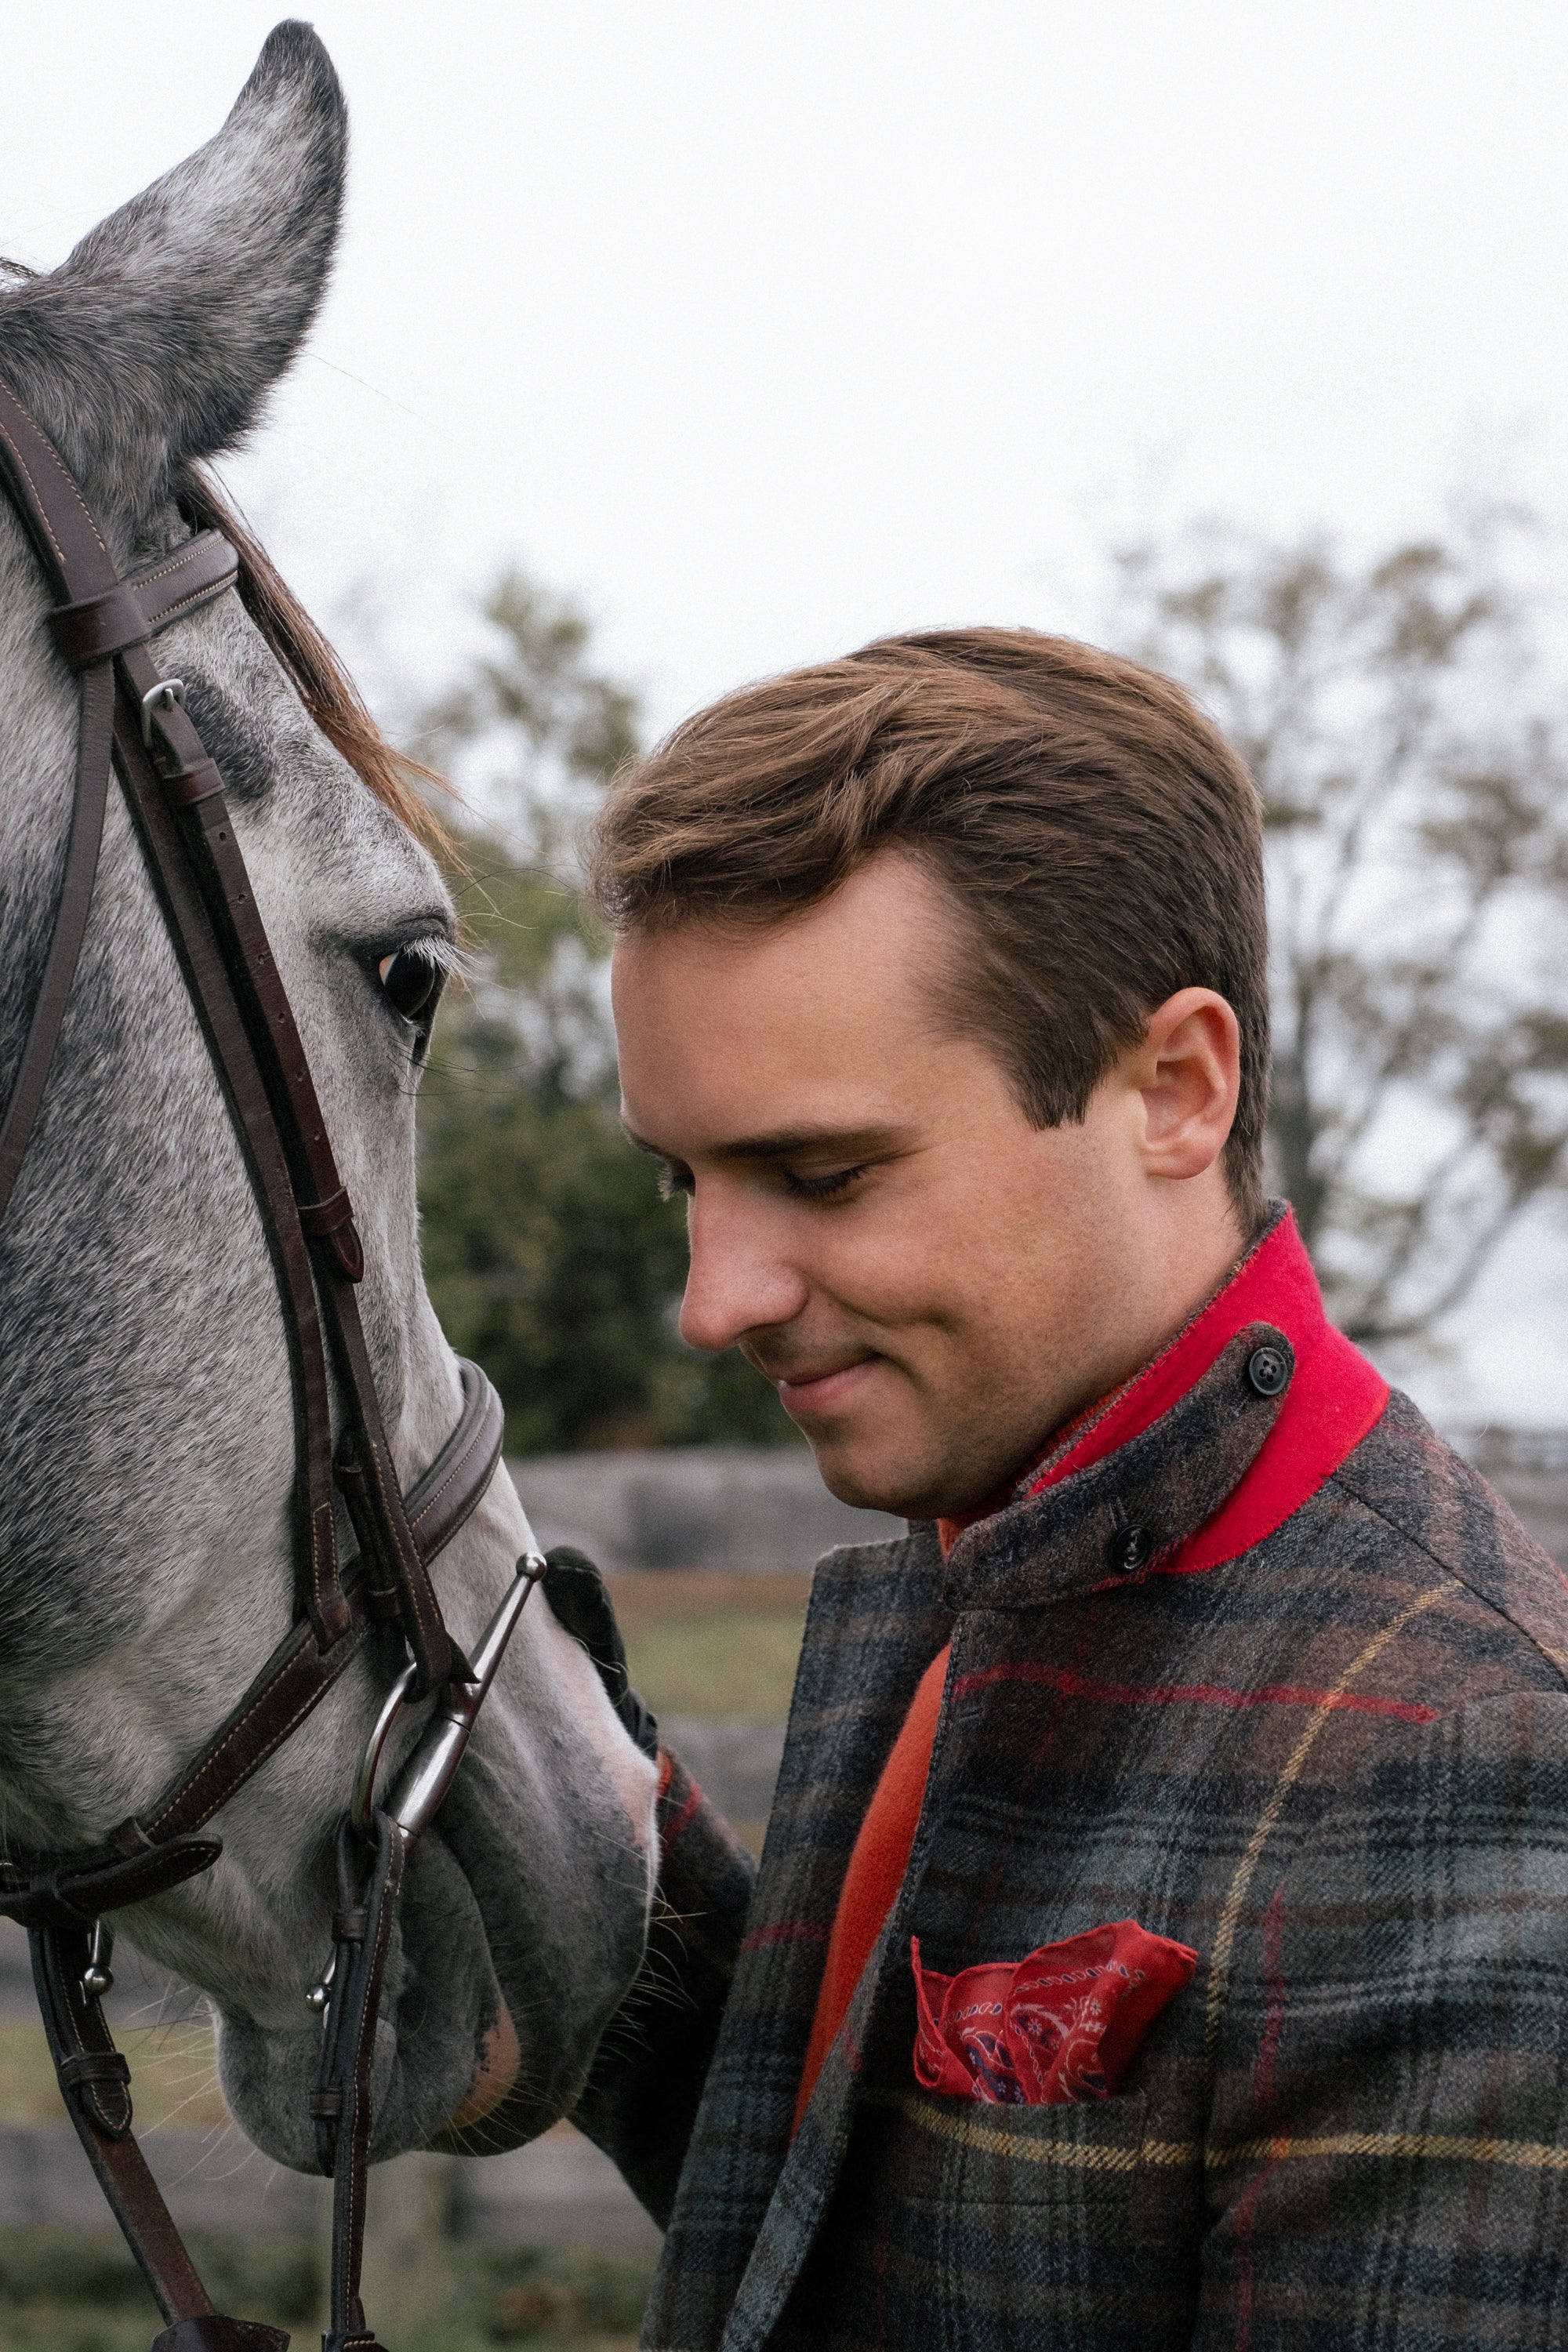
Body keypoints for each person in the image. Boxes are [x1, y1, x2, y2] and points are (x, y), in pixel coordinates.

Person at [566, 627, 1568, 2349]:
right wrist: (578, 1856)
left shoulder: (1467, 1753)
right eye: (686, 1181)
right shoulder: (997, 1546)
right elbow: (872, 2240)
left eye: (820, 1172)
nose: (712, 1298)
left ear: (1174, 1088)